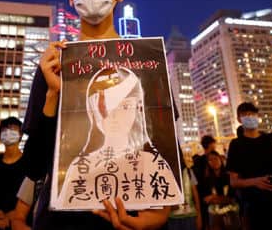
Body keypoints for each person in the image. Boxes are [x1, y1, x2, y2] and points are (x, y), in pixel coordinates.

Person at [22, 0, 172, 229]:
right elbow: (34, 166)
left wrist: (158, 215)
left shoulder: (147, 64)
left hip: (131, 215)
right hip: (62, 221)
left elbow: (167, 145)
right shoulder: (54, 64)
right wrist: (53, 94)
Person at [57, 66, 181, 209]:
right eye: (106, 107)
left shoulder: (153, 165)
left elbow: (166, 207)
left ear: (138, 109)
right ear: (93, 110)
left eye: (126, 107)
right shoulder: (78, 169)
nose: (115, 116)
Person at [225, 102, 272, 230]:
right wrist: (255, 182)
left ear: (257, 116)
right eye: (245, 114)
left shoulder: (270, 139)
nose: (249, 116)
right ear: (239, 119)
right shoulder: (236, 145)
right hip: (255, 209)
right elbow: (234, 181)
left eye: (252, 114)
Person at [0, 117, 27, 230]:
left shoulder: (29, 164)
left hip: (21, 222)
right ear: (0, 136)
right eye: (4, 130)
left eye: (13, 129)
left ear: (21, 135)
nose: (8, 132)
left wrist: (11, 216)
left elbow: (31, 196)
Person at [196, 151, 235, 230]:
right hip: (213, 217)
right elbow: (205, 200)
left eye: (215, 158)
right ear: (208, 163)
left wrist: (213, 197)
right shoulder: (206, 180)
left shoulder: (229, 177)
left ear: (220, 159)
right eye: (210, 160)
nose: (214, 161)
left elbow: (232, 198)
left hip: (231, 214)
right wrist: (221, 198)